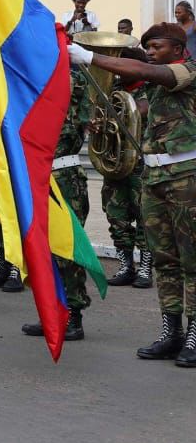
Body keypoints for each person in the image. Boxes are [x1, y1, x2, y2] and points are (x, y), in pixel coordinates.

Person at [69, 24, 196, 364]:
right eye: (148, 47)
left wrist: (90, 57)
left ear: (178, 48)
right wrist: (102, 118)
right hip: (154, 176)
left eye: (157, 46)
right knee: (165, 260)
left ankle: (195, 334)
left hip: (186, 177)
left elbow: (142, 68)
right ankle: (172, 332)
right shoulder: (153, 88)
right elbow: (137, 107)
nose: (151, 51)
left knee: (192, 259)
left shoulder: (188, 71)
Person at [19, 59, 93, 341]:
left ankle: (74, 315)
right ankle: (50, 313)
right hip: (35, 176)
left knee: (66, 250)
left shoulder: (71, 79)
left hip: (63, 176)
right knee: (42, 249)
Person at [98, 47, 150, 288]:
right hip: (116, 163)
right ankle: (125, 266)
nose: (118, 69)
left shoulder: (152, 88)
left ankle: (146, 268)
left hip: (142, 165)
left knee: (145, 219)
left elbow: (138, 112)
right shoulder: (113, 90)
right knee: (116, 216)